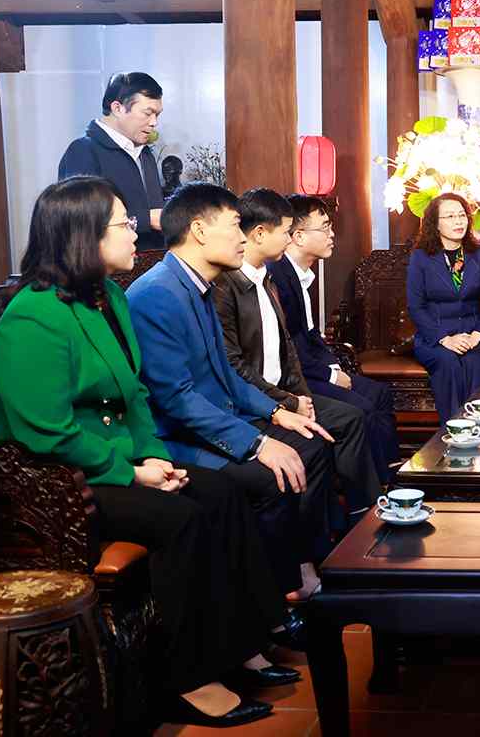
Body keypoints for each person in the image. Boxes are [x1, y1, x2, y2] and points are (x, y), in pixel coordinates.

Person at [0, 177, 299, 728]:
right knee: (182, 519)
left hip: (124, 461)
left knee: (224, 491)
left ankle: (239, 646)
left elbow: (136, 397)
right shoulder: (32, 315)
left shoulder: (106, 296)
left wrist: (158, 459)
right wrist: (131, 473)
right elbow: (47, 431)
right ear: (82, 235)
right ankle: (189, 678)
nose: (137, 231)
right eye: (123, 223)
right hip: (63, 480)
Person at [126, 183, 337, 602]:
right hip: (178, 438)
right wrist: (258, 443)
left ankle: (300, 570)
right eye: (236, 226)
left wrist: (278, 414)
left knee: (311, 445)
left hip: (217, 420)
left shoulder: (199, 285)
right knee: (268, 478)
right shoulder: (157, 294)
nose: (244, 238)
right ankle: (271, 605)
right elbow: (177, 400)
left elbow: (226, 372)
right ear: (199, 230)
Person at [213, 188, 382, 521]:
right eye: (287, 232)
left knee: (350, 418)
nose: (291, 239)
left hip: (285, 395)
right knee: (332, 431)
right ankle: (336, 532)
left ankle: (364, 512)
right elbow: (235, 365)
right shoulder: (227, 285)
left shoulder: (267, 279)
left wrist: (300, 397)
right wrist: (286, 404)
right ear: (260, 233)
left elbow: (288, 351)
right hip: (258, 403)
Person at [269, 195, 398, 478]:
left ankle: (390, 476)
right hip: (295, 379)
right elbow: (288, 346)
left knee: (380, 394)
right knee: (361, 408)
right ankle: (373, 488)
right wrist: (329, 376)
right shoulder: (278, 276)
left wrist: (334, 367)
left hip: (312, 368)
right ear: (298, 236)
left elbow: (312, 335)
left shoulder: (299, 273)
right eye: (325, 228)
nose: (332, 234)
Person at [405, 193, 480, 423]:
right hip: (435, 337)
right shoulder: (421, 258)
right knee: (447, 362)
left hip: (473, 334)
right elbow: (416, 307)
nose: (458, 221)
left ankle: (479, 430)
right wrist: (444, 339)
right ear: (435, 223)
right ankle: (451, 431)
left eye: (462, 215)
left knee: (473, 362)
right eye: (450, 216)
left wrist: (478, 334)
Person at [58, 72, 166, 249]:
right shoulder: (83, 150)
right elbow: (79, 219)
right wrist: (146, 220)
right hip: (109, 271)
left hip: (150, 265)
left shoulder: (145, 153)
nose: (154, 122)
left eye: (157, 115)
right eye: (148, 113)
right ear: (117, 108)